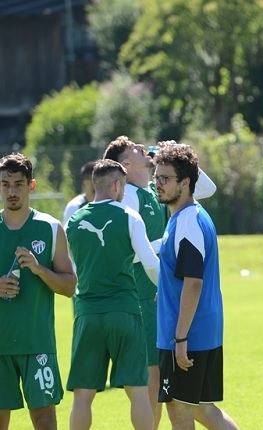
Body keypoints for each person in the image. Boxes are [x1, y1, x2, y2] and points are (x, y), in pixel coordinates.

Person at [102, 135, 216, 429]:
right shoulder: (128, 195)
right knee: (162, 391)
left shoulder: (164, 197)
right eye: (137, 150)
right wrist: (160, 249)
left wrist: (175, 155)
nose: (145, 148)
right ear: (125, 164)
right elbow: (124, 247)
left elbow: (206, 188)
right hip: (145, 299)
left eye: (165, 177)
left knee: (176, 400)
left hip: (170, 307)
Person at [65, 159, 160, 430]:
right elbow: (151, 263)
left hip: (87, 314)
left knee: (83, 396)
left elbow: (75, 266)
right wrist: (166, 290)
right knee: (138, 392)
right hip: (125, 312)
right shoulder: (129, 216)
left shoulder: (74, 220)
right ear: (118, 185)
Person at [152, 145, 238, 429]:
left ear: (186, 182)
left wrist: (179, 339)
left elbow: (193, 283)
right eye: (156, 177)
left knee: (179, 410)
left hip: (188, 334)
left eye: (165, 178)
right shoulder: (189, 216)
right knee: (202, 409)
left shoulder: (188, 220)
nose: (158, 184)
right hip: (199, 330)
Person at [0, 154, 77, 430]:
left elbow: (70, 286)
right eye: (5, 184)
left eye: (18, 184)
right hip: (0, 346)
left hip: (38, 344)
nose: (11, 191)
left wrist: (39, 269)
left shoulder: (50, 228)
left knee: (44, 421)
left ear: (31, 186)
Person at [63, 161, 96, 225]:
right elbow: (67, 234)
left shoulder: (109, 204)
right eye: (97, 180)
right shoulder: (74, 207)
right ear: (87, 183)